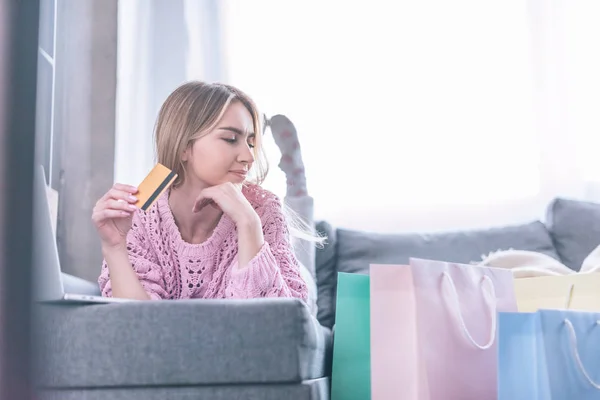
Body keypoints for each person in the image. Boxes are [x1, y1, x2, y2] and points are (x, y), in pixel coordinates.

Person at [93, 81, 322, 301]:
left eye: (251, 142)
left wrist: (249, 223)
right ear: (183, 147)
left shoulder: (260, 209)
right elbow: (135, 326)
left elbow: (283, 319)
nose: (249, 157)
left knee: (308, 279)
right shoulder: (140, 218)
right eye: (231, 139)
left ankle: (296, 181)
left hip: (283, 281)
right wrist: (114, 248)